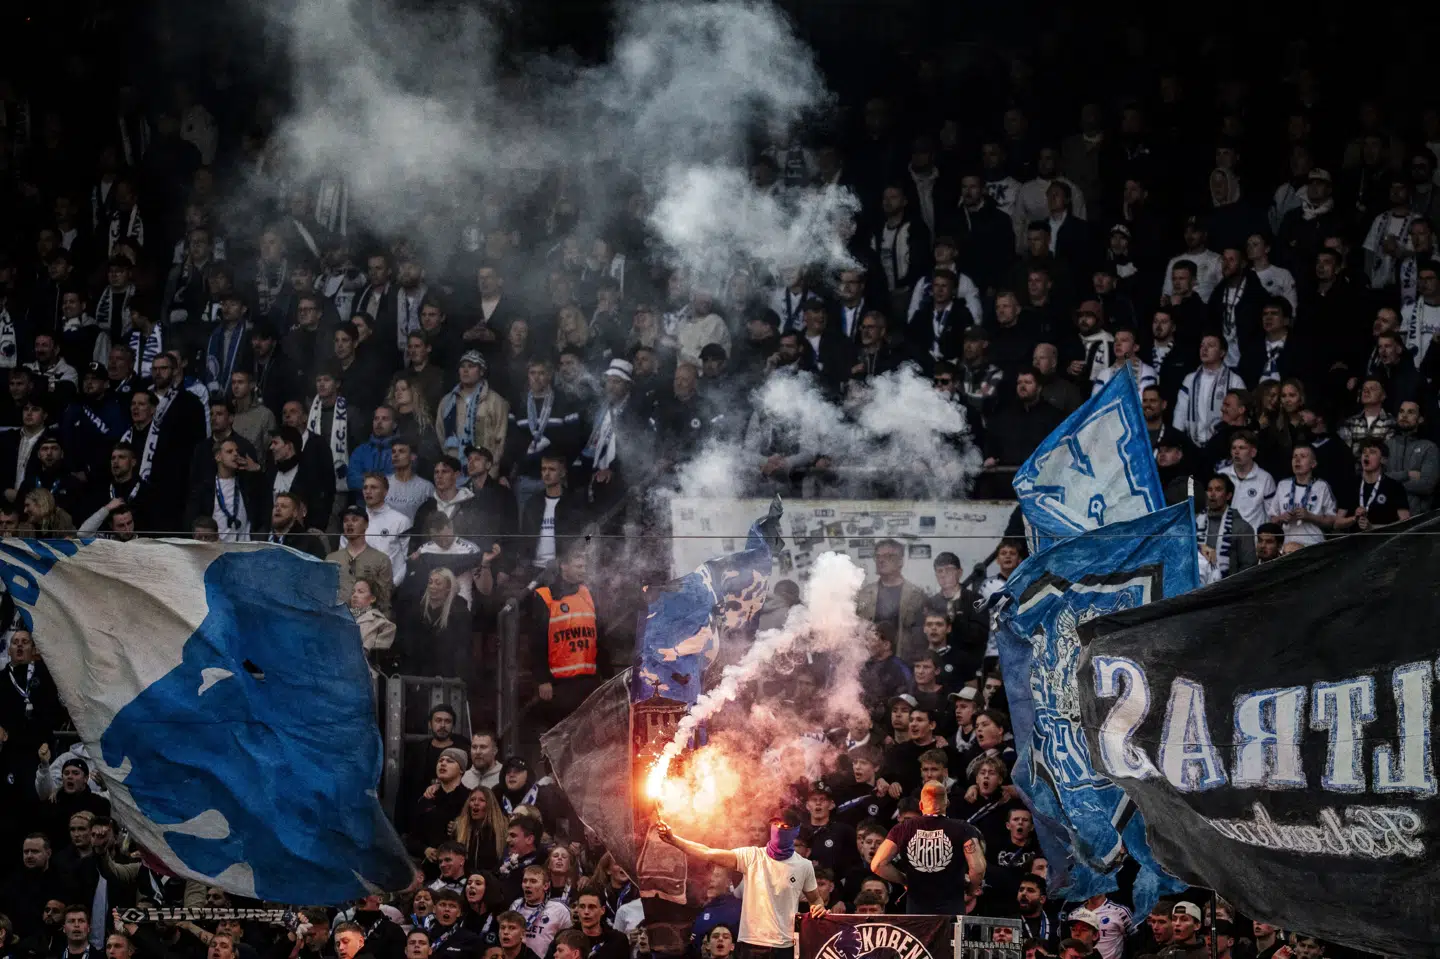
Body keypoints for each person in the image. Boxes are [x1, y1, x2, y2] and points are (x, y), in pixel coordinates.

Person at [656, 808, 825, 959]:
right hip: (749, 945)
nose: (779, 829)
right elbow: (708, 853)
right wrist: (674, 839)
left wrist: (818, 907)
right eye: (776, 824)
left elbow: (816, 900)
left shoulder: (804, 866)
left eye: (785, 826)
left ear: (794, 831)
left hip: (784, 947)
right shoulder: (751, 856)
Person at [869, 781, 985, 914]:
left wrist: (905, 880)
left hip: (917, 915)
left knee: (918, 935)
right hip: (951, 912)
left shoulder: (903, 829)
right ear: (946, 803)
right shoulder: (964, 828)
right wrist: (971, 889)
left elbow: (877, 864)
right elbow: (978, 868)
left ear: (921, 805)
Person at [530, 546, 600, 729]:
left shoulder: (588, 593)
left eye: (584, 567)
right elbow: (537, 642)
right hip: (559, 684)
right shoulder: (545, 596)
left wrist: (605, 674)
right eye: (578, 566)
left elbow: (600, 636)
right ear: (564, 566)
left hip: (588, 681)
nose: (583, 571)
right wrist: (542, 679)